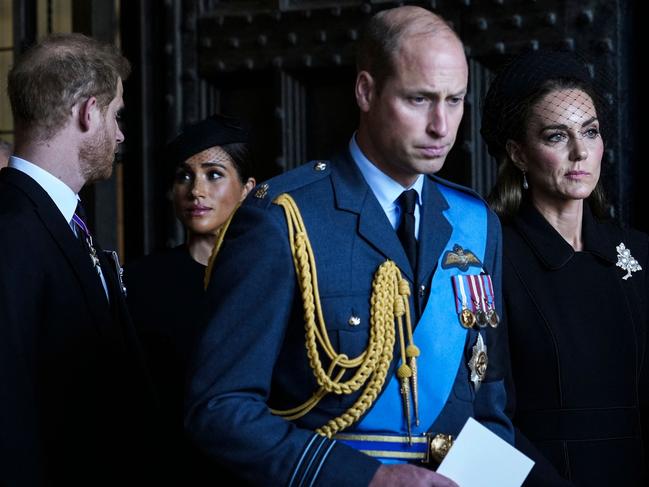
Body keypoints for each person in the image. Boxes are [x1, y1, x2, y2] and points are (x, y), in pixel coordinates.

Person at [185, 6, 513, 487]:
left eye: (456, 100)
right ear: (366, 91)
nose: (442, 126)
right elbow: (218, 409)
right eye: (419, 100)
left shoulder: (475, 223)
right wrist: (369, 478)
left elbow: (489, 405)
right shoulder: (283, 219)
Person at [0, 33, 162, 486]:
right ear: (89, 113)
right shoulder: (11, 230)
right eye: (117, 115)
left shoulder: (64, 217)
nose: (121, 133)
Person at [482, 48, 648, 486]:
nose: (580, 152)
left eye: (590, 132)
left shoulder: (638, 253)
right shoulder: (490, 258)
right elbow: (477, 419)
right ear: (518, 153)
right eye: (557, 136)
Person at [126, 114, 256, 484]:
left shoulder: (272, 279)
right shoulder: (142, 280)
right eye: (184, 175)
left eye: (213, 174)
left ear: (246, 188)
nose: (195, 190)